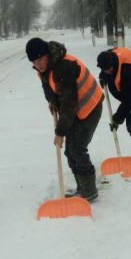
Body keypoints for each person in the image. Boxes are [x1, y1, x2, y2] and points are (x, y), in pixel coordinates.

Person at [26, 37, 103, 201]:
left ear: (47, 54)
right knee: (70, 151)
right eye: (34, 61)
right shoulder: (46, 68)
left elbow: (69, 104)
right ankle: (82, 188)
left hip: (90, 105)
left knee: (77, 148)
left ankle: (89, 191)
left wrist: (60, 132)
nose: (38, 64)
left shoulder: (63, 67)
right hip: (75, 108)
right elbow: (50, 89)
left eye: (40, 59)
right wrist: (52, 103)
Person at [97, 47, 131, 171]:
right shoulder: (110, 57)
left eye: (109, 69)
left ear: (113, 63)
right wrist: (103, 75)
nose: (109, 71)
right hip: (129, 92)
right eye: (105, 70)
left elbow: (130, 99)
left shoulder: (129, 68)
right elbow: (109, 70)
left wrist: (118, 117)